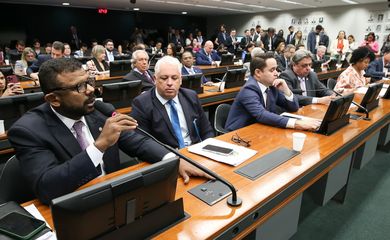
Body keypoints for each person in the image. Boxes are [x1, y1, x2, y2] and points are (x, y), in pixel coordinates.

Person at [7, 58, 208, 205]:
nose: (91, 90)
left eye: (89, 81)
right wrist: (99, 146)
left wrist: (172, 159)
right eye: (79, 87)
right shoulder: (28, 130)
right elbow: (47, 187)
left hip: (114, 197)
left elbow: (137, 140)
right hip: (74, 207)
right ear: (53, 99)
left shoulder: (101, 111)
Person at [131, 56, 214, 150]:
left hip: (196, 151)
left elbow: (207, 130)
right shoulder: (141, 103)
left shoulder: (191, 96)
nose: (170, 83)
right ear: (155, 79)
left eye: (174, 78)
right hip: (165, 157)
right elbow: (142, 142)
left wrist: (208, 150)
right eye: (164, 78)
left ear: (181, 79)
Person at [225, 53, 321, 132]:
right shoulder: (249, 89)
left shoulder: (271, 86)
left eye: (276, 69)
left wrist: (286, 89)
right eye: (272, 70)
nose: (276, 73)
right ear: (258, 73)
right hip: (238, 134)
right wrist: (296, 123)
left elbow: (293, 107)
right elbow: (261, 114)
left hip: (261, 130)